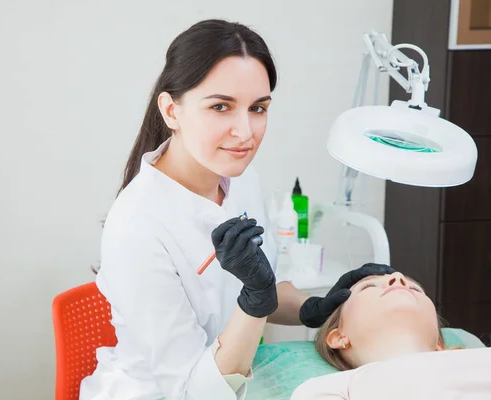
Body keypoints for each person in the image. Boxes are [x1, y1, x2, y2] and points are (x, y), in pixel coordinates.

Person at [79, 19, 394, 400]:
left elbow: (266, 282)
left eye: (258, 108)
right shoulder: (137, 226)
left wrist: (313, 307)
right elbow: (191, 390)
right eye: (221, 107)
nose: (245, 132)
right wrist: (256, 299)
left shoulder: (241, 179)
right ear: (171, 111)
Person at [291, 271, 491, 399]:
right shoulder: (332, 388)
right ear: (339, 337)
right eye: (368, 286)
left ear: (438, 343)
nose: (397, 277)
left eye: (415, 289)